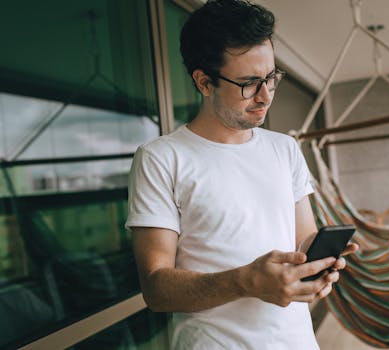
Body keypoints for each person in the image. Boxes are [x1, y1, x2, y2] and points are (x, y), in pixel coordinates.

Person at [125, 0, 357, 348]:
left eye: (271, 78)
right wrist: (244, 281)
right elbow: (156, 289)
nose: (265, 96)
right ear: (204, 82)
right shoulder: (160, 159)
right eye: (249, 83)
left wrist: (318, 266)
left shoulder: (285, 149)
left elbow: (303, 240)